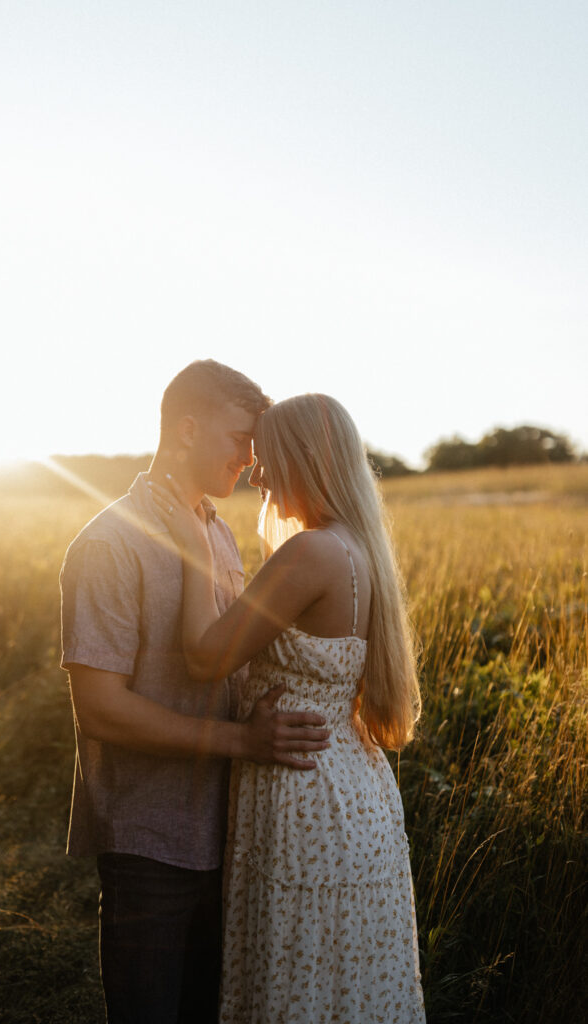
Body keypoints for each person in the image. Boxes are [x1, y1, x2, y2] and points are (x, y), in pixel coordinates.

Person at [59, 361, 331, 1024]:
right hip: (149, 840)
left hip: (231, 831)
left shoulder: (217, 530)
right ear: (186, 430)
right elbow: (99, 709)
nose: (251, 460)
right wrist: (242, 738)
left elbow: (221, 660)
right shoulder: (109, 543)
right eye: (239, 439)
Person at [150, 393, 426, 1024]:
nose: (258, 473)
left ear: (307, 458)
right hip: (354, 796)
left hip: (305, 799)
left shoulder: (309, 554)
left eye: (269, 457)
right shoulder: (359, 547)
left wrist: (192, 539)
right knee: (341, 983)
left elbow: (204, 657)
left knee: (298, 980)